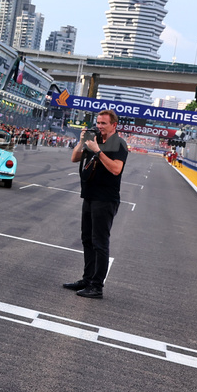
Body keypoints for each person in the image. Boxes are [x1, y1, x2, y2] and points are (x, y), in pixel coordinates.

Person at [64, 111, 128, 299]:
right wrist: (82, 141)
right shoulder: (93, 139)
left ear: (114, 125)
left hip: (105, 198)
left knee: (100, 242)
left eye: (103, 123)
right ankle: (87, 279)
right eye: (98, 122)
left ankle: (97, 286)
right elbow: (74, 158)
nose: (99, 126)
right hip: (90, 196)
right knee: (87, 239)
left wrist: (98, 151)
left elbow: (116, 169)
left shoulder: (119, 143)